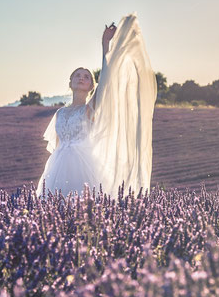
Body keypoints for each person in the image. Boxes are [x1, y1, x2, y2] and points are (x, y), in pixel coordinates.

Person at [36, 13, 156, 198]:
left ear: (92, 86)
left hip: (84, 165)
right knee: (56, 206)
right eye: (78, 75)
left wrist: (105, 44)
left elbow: (107, 78)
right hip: (57, 168)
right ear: (70, 83)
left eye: (86, 77)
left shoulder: (90, 108)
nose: (81, 78)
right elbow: (58, 144)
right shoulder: (60, 113)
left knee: (84, 205)